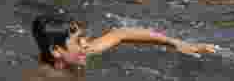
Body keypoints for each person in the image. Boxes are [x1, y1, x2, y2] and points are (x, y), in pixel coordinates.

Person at [23, 13, 216, 77]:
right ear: (56, 51)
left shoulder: (80, 51)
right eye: (78, 40)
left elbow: (121, 34)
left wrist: (175, 43)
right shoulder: (47, 77)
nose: (86, 43)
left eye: (83, 37)